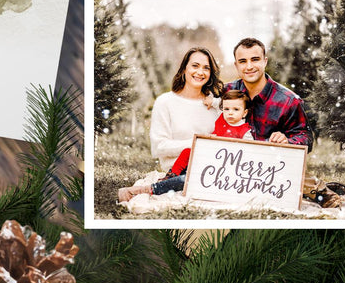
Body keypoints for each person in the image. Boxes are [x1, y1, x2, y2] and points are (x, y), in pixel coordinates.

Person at [119, 88, 252, 201]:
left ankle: (150, 189)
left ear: (244, 113)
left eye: (236, 109)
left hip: (222, 166)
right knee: (187, 151)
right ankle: (172, 174)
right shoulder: (222, 117)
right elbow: (220, 103)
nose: (230, 112)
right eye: (227, 109)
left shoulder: (245, 132)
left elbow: (248, 152)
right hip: (206, 157)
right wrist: (212, 101)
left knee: (188, 180)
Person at [221, 37, 311, 147]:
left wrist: (287, 141)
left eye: (255, 60)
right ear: (236, 65)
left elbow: (306, 138)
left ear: (265, 61)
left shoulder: (289, 101)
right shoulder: (225, 92)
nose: (249, 66)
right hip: (228, 156)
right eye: (243, 61)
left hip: (270, 158)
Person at [146, 47, 221, 174]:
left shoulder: (215, 105)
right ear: (184, 69)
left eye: (206, 68)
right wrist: (198, 142)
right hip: (176, 174)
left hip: (210, 173)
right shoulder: (165, 102)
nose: (200, 72)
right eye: (195, 66)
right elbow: (159, 148)